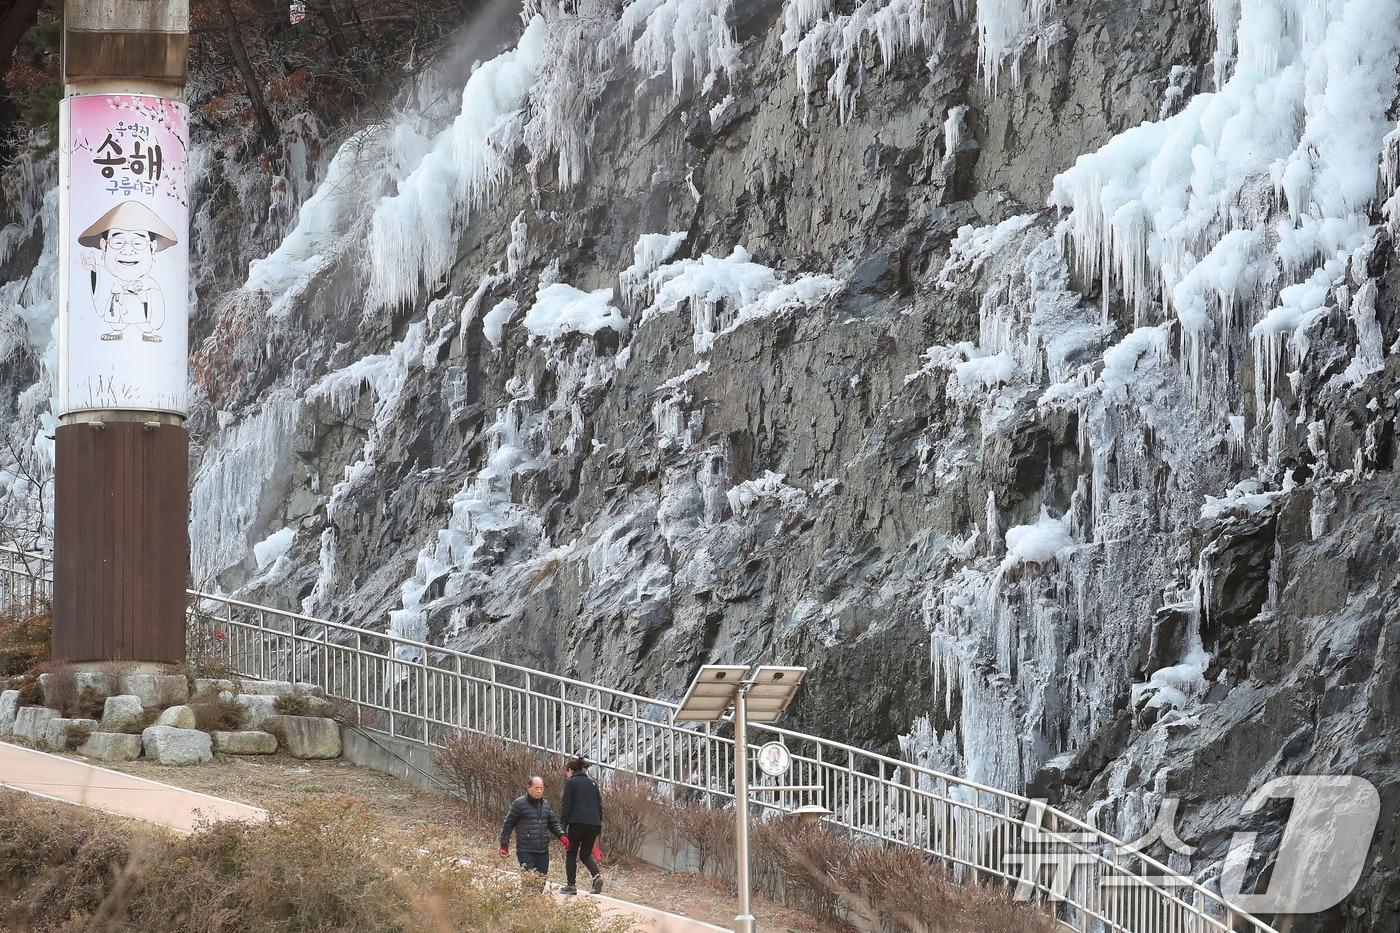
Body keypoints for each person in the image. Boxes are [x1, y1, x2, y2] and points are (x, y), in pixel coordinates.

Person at [498, 775, 565, 886]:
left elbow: (553, 823)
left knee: (540, 883)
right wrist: (504, 844)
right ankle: (527, 903)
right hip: (525, 850)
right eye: (536, 788)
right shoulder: (519, 804)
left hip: (543, 851)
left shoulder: (546, 805)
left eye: (541, 788)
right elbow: (508, 824)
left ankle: (536, 903)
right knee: (529, 883)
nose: (539, 791)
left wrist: (562, 836)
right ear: (529, 788)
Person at [559, 755, 605, 895]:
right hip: (594, 823)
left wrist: (562, 826)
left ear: (570, 770)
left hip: (577, 822)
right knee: (585, 854)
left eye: (566, 772)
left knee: (571, 852)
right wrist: (598, 826)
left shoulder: (571, 783)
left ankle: (571, 885)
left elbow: (567, 805)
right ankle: (596, 876)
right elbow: (599, 806)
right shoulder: (593, 783)